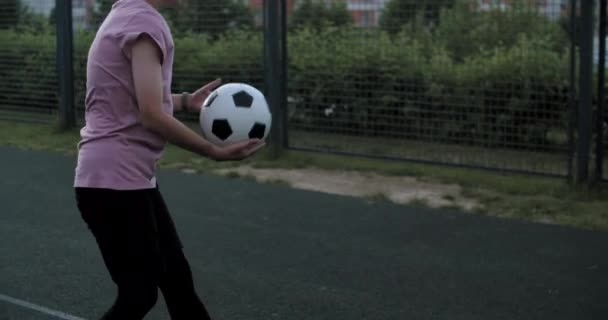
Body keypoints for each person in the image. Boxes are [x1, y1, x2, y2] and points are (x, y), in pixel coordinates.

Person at [73, 0, 265, 319]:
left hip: (122, 179)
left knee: (177, 282)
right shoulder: (145, 25)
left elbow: (131, 97)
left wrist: (187, 101)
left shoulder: (124, 13)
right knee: (139, 292)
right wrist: (212, 151)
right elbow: (150, 114)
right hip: (114, 184)